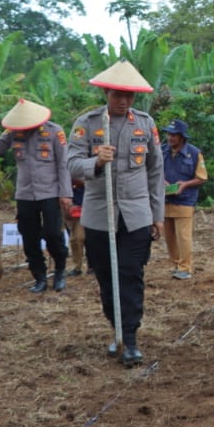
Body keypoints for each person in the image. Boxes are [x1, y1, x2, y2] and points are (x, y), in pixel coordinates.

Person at [67, 60, 165, 366]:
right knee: (107, 277)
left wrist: (157, 215)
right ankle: (117, 329)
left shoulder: (145, 124)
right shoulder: (88, 123)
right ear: (107, 93)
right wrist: (95, 163)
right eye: (117, 95)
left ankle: (131, 339)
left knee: (130, 273)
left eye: (129, 96)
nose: (123, 101)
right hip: (99, 215)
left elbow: (155, 171)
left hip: (136, 215)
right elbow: (71, 164)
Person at [0, 98, 72, 293]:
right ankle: (39, 276)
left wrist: (66, 193)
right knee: (29, 237)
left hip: (50, 192)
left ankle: (60, 270)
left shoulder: (54, 131)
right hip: (25, 193)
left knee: (53, 233)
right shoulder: (12, 131)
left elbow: (63, 163)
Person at [161, 119, 208, 280]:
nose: (170, 137)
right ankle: (175, 264)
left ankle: (185, 267)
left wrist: (185, 184)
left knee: (183, 236)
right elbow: (153, 171)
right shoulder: (162, 151)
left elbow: (202, 178)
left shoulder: (194, 153)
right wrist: (161, 181)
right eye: (168, 134)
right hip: (165, 200)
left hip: (185, 200)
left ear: (182, 137)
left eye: (173, 135)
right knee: (169, 236)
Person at [64, 178, 85, 279]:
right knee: (75, 239)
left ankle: (88, 266)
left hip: (86, 205)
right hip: (72, 208)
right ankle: (77, 267)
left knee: (79, 238)